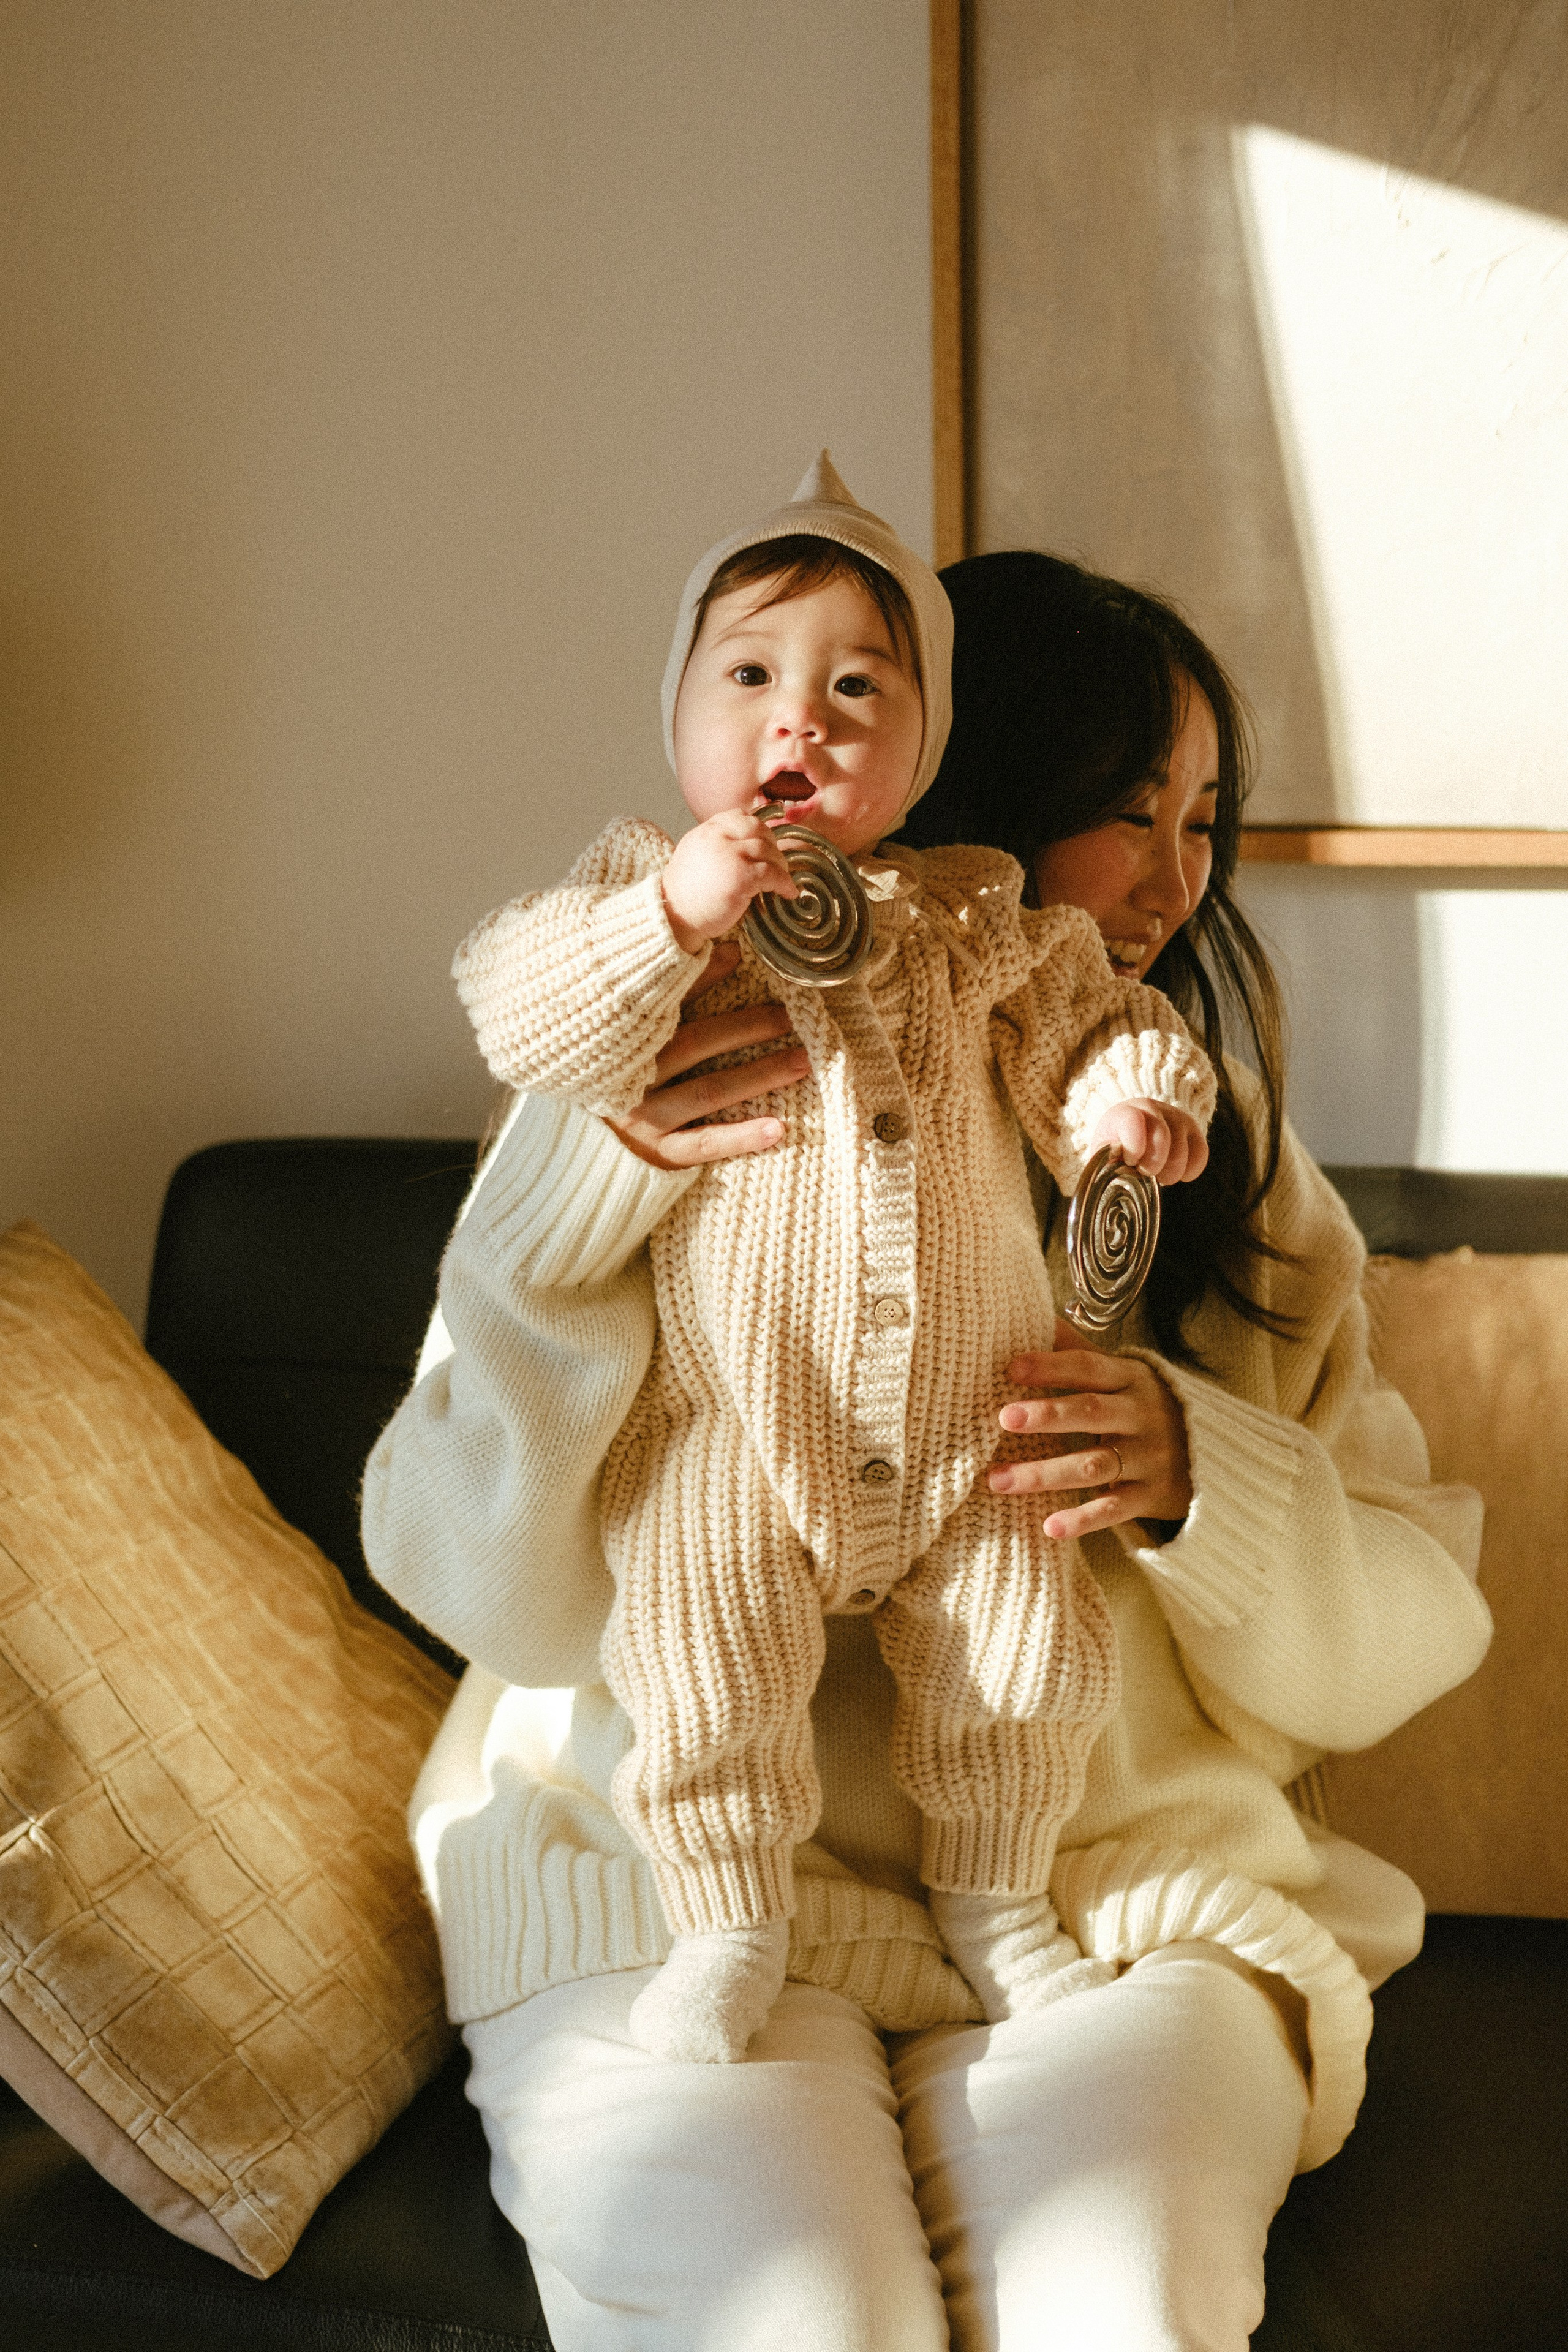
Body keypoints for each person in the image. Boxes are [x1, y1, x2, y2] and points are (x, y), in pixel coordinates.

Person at [363, 547, 1491, 2351]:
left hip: (1108, 1906)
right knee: (789, 2319)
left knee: (1118, 2301)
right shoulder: (649, 1056)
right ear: (955, 776)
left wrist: (1199, 1477)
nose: (1179, 879)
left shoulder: (1200, 1144)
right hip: (666, 1895)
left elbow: (1410, 1636)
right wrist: (585, 1198)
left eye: (1207, 817)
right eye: (1131, 812)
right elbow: (476, 1591)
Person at [445, 458, 1215, 2065]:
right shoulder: (645, 896)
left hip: (978, 1420)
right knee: (705, 1660)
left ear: (929, 748)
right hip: (739, 1425)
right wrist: (665, 914)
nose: (800, 719)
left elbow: (1093, 1032)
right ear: (680, 715)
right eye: (749, 675)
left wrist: (1136, 1107)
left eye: (858, 687)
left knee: (1025, 1656)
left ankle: (999, 1901)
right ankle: (728, 1917)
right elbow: (523, 1009)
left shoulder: (976, 919)